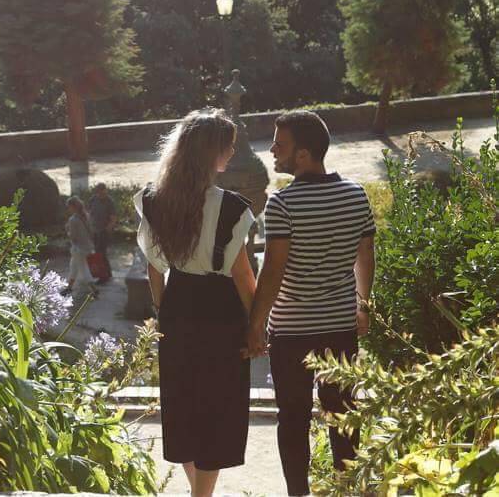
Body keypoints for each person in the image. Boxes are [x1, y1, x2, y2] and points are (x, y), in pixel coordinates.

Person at [246, 110, 376, 497]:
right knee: (344, 415)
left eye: (279, 144)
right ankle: (349, 489)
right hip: (339, 325)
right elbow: (365, 254)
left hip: (291, 331)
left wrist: (255, 324)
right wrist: (363, 305)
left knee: (293, 419)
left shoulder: (282, 205)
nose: (272, 150)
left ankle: (298, 494)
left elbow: (272, 272)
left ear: (303, 155)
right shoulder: (356, 194)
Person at [134, 108, 256, 497]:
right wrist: (256, 326)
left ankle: (199, 494)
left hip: (178, 304)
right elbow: (242, 276)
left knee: (184, 404)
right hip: (220, 310)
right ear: (213, 153)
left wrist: (161, 309)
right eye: (229, 147)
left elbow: (154, 269)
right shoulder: (232, 208)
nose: (232, 154)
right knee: (219, 407)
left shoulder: (154, 201)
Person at [64, 196, 97, 303]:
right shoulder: (86, 216)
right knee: (73, 266)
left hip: (78, 248)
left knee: (83, 269)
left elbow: (73, 237)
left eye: (69, 207)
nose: (68, 209)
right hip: (87, 246)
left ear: (73, 207)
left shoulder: (73, 220)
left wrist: (67, 230)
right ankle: (69, 287)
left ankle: (94, 289)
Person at [87, 183, 116, 280]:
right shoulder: (93, 200)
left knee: (101, 253)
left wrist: (107, 230)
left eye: (103, 192)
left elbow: (113, 218)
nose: (102, 194)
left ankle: (104, 276)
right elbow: (89, 214)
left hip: (104, 231)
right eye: (100, 192)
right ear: (97, 192)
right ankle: (106, 273)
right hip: (94, 230)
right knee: (98, 253)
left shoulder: (109, 201)